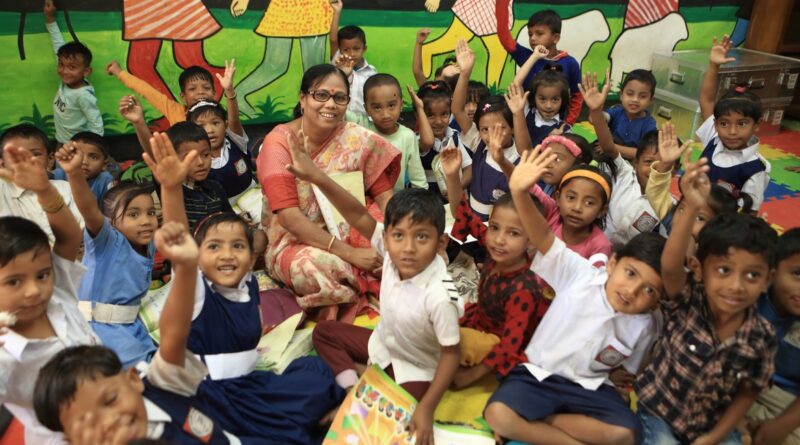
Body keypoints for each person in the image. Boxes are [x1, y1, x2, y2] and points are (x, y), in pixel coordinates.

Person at [143, 133, 344, 444]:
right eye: (214, 247)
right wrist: (170, 188)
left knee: (315, 369)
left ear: (252, 258)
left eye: (237, 246)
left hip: (251, 384)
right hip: (215, 398)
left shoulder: (249, 284)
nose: (227, 254)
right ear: (198, 257)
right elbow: (180, 244)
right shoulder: (196, 289)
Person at [485, 146, 664, 445]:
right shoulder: (581, 274)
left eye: (649, 290)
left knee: (626, 434)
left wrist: (619, 386)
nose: (632, 291)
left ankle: (540, 421)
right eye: (630, 274)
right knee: (497, 413)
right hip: (540, 375)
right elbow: (543, 236)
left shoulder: (646, 324)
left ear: (657, 299)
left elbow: (625, 370)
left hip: (591, 387)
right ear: (613, 264)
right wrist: (519, 192)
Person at [32, 223, 268, 444]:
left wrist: (186, 268)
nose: (109, 421)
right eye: (86, 423)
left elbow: (173, 334)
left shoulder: (161, 386)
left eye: (111, 399)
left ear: (134, 380)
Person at [290, 151, 460, 445]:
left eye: (421, 237)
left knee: (393, 424)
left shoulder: (440, 295)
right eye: (398, 236)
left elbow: (451, 355)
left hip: (417, 367)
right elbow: (357, 214)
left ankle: (366, 393)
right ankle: (352, 389)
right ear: (388, 237)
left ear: (440, 242)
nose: (408, 248)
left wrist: (427, 407)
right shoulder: (392, 252)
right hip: (382, 345)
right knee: (324, 332)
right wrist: (317, 177)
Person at [635, 155, 777, 444]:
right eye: (724, 270)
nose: (736, 286)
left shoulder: (761, 336)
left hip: (711, 425)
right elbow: (670, 266)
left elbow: (748, 393)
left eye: (752, 275)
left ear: (767, 280)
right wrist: (691, 207)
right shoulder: (689, 299)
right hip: (660, 413)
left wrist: (715, 436)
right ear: (698, 270)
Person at [257, 64, 400, 321]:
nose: (331, 104)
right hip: (295, 240)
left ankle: (361, 282)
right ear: (303, 98)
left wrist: (396, 236)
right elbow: (289, 217)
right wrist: (350, 254)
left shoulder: (355, 137)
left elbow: (384, 197)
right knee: (316, 267)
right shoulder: (278, 144)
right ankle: (359, 288)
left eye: (339, 97)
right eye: (321, 95)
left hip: (352, 227)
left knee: (402, 246)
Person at [0, 143, 96, 445]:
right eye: (13, 282)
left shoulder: (58, 294)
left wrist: (44, 191)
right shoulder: (4, 352)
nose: (34, 291)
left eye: (42, 275)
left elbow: (69, 237)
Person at [439, 139, 548, 389]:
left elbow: (509, 347)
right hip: (478, 321)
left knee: (442, 344)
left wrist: (468, 378)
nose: (499, 239)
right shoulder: (496, 249)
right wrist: (453, 176)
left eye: (514, 233)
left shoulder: (524, 288)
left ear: (532, 239)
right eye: (495, 227)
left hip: (495, 344)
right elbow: (463, 213)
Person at [57, 140, 158, 368]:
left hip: (132, 331)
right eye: (133, 215)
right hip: (97, 334)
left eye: (151, 213)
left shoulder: (150, 242)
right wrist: (74, 173)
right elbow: (88, 208)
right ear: (110, 222)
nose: (145, 221)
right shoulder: (108, 241)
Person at [581, 71, 687, 246]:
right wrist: (595, 110)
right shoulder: (625, 175)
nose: (654, 169)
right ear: (636, 163)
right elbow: (607, 145)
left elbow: (671, 242)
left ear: (675, 171)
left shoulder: (669, 205)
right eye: (649, 162)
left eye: (664, 165)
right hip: (597, 245)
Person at [698, 34, 770, 212]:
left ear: (757, 124)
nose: (731, 131)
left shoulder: (755, 169)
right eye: (724, 123)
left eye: (742, 124)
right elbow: (706, 100)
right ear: (716, 124)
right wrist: (713, 66)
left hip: (722, 225)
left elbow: (749, 213)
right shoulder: (714, 139)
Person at [451, 40, 521, 220]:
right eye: (484, 129)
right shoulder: (480, 144)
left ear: (514, 128)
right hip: (474, 221)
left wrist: (518, 112)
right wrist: (465, 73)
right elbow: (457, 110)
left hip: (502, 224)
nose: (491, 136)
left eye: (499, 129)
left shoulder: (520, 152)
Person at [746, 228, 800, 445]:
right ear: (773, 272)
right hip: (740, 381)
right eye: (798, 274)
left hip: (786, 397)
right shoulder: (751, 297)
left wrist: (781, 426)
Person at [0, 124, 84, 244]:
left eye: (35, 154)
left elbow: (82, 233)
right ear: (2, 164)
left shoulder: (66, 189)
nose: (27, 160)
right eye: (15, 155)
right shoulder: (2, 190)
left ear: (50, 159)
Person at [498, 9, 582, 124]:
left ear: (555, 38)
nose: (532, 38)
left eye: (539, 33)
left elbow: (577, 96)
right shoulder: (527, 57)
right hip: (526, 124)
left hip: (557, 126)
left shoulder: (570, 63)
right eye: (530, 34)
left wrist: (568, 124)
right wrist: (502, 4)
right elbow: (505, 38)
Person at [346, 73, 427, 192]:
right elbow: (339, 111)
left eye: (391, 105)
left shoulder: (408, 136)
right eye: (377, 107)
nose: (385, 114)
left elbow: (419, 181)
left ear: (401, 105)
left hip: (395, 202)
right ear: (366, 109)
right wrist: (344, 75)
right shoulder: (362, 126)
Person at [107, 59, 236, 128]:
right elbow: (146, 90)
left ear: (214, 94)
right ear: (183, 97)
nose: (200, 92)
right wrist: (118, 72)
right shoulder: (174, 111)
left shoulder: (220, 114)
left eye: (206, 88)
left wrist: (229, 90)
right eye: (192, 89)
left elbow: (234, 123)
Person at [43, 0, 103, 144]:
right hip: (61, 141)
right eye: (61, 65)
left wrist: (93, 150)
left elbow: (96, 125)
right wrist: (50, 19)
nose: (64, 71)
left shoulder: (83, 95)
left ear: (86, 71)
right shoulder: (67, 82)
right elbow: (58, 45)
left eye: (72, 67)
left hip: (76, 147)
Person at [163, 122, 233, 231]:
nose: (201, 162)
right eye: (191, 157)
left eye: (205, 155)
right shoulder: (173, 192)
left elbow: (230, 221)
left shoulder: (216, 188)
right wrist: (139, 123)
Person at [186, 99, 254, 203]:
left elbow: (234, 120)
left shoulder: (236, 141)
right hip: (224, 210)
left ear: (226, 125)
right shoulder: (194, 161)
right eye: (201, 126)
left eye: (215, 123)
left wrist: (229, 93)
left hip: (255, 198)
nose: (210, 130)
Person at [414, 80, 472, 199]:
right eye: (430, 115)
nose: (439, 121)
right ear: (418, 115)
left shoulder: (454, 136)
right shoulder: (418, 141)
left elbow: (468, 168)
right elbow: (428, 142)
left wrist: (458, 187)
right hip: (429, 198)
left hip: (455, 195)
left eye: (444, 114)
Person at [512, 44, 571, 147]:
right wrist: (535, 56)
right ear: (534, 98)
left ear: (563, 100)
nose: (548, 106)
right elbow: (516, 85)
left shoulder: (564, 129)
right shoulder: (526, 111)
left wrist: (558, 141)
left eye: (555, 99)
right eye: (542, 99)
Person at [329, 2, 376, 115]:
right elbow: (333, 40)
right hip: (341, 118)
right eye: (346, 49)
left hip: (364, 119)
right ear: (340, 50)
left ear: (364, 49)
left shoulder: (371, 72)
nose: (351, 54)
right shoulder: (338, 64)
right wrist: (337, 12)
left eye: (356, 49)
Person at [599, 69, 657, 160]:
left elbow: (644, 153)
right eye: (630, 94)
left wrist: (610, 147)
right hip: (610, 157)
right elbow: (594, 120)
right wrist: (599, 104)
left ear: (650, 100)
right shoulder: (617, 111)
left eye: (642, 96)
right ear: (621, 95)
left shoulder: (649, 124)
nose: (635, 99)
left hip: (631, 163)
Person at [52, 132, 114, 206]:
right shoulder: (58, 175)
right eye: (77, 154)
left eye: (93, 157)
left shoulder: (105, 180)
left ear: (104, 165)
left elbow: (107, 211)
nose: (84, 162)